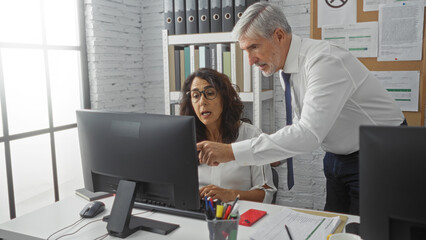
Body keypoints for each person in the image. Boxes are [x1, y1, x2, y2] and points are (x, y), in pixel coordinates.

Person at [196, 2, 406, 215]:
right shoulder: (284, 66)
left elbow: (308, 133)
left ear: (278, 36)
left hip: (380, 154)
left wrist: (231, 152)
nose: (250, 60)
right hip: (337, 156)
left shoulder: (324, 61)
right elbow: (301, 124)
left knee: (366, 230)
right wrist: (267, 153)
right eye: (246, 50)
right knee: (334, 223)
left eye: (254, 47)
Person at [180, 68, 277, 203]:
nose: (202, 102)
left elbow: (266, 193)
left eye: (209, 93)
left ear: (224, 98)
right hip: (198, 215)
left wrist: (231, 194)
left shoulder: (251, 135)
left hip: (238, 216)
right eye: (195, 96)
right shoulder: (185, 140)